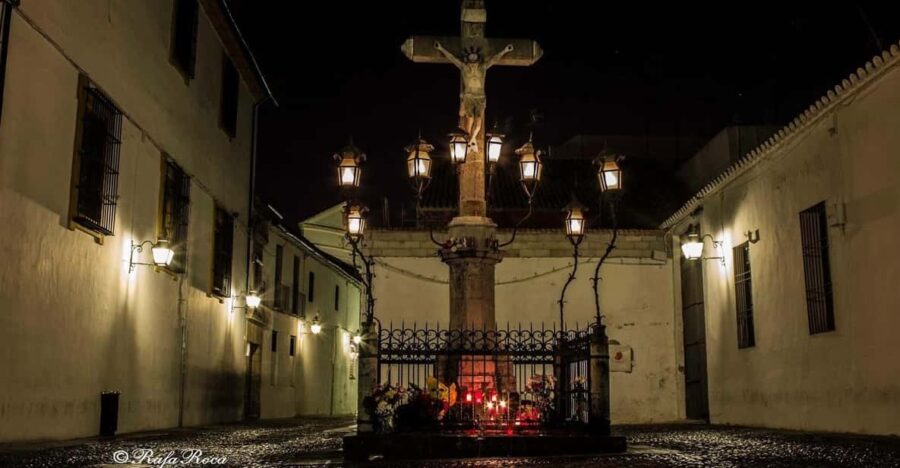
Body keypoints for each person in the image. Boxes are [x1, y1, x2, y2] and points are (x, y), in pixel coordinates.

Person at [434, 41, 514, 146]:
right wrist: (441, 49)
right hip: (469, 97)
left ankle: (471, 140)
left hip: (480, 97)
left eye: (474, 56)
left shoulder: (482, 68)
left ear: (477, 57)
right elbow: (453, 59)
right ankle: (470, 140)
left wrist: (504, 51)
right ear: (468, 58)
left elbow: (494, 59)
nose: (472, 58)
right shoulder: (465, 68)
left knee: (478, 124)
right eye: (470, 57)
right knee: (470, 119)